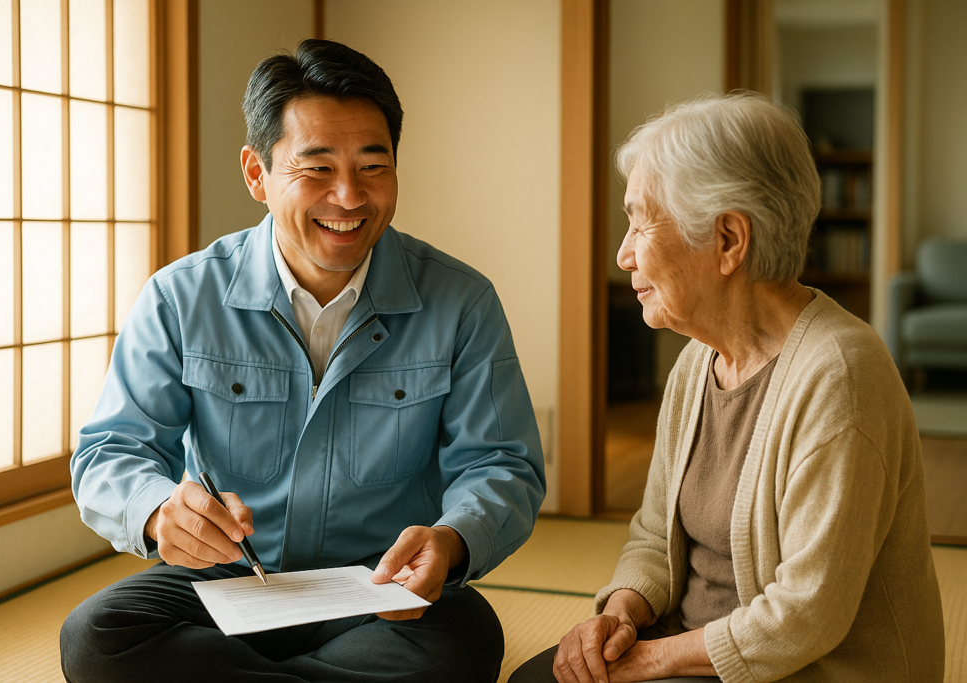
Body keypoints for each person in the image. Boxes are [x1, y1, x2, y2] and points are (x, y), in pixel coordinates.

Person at [60, 39, 545, 683]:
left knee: (465, 638)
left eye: (373, 166)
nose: (348, 197)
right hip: (229, 582)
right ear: (256, 174)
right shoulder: (182, 296)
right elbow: (110, 452)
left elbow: (501, 464)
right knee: (96, 637)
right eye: (316, 168)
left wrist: (452, 540)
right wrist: (155, 511)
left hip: (381, 590)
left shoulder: (461, 301)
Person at [511, 92, 944, 683]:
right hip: (695, 652)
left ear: (729, 241)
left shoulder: (840, 375)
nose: (623, 253)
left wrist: (651, 660)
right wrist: (621, 615)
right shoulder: (697, 363)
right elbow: (653, 533)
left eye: (640, 221)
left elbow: (805, 614)